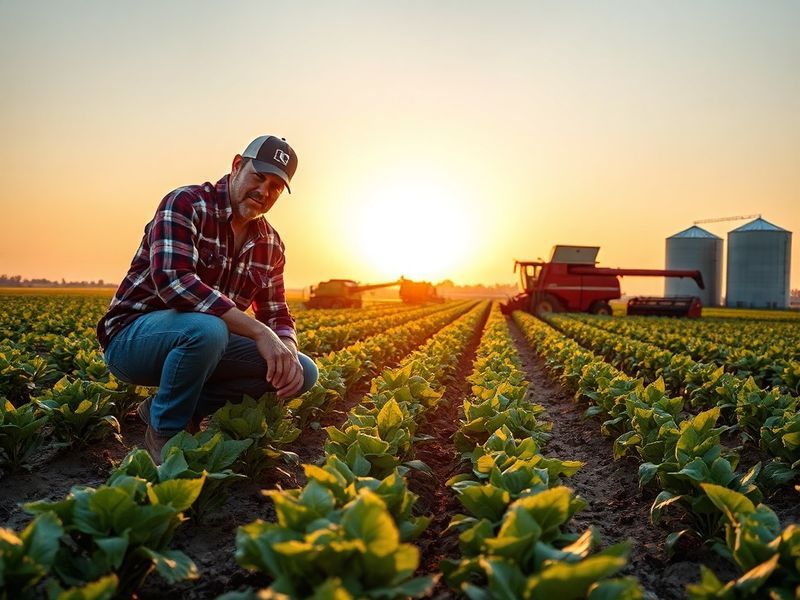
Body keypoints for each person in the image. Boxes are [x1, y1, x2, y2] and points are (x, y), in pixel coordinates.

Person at [96, 135, 318, 464]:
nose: (263, 192)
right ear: (237, 165)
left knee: (302, 370)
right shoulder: (185, 203)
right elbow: (175, 282)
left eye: (274, 187)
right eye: (259, 176)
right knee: (208, 328)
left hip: (202, 342)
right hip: (133, 339)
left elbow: (277, 313)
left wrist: (285, 345)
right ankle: (166, 432)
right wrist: (260, 332)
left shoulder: (270, 243)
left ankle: (174, 406)